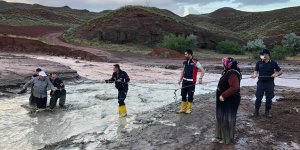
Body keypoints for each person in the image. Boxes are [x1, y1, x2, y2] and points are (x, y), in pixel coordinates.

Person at [214, 57, 242, 144]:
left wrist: (223, 95)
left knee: (228, 118)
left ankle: (227, 139)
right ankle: (220, 136)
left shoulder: (232, 73)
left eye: (224, 63)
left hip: (230, 99)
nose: (223, 64)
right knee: (220, 117)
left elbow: (235, 87)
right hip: (224, 100)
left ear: (228, 64)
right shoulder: (227, 71)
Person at [251, 48, 283, 118]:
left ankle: (267, 112)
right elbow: (256, 70)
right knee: (258, 97)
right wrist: (254, 74)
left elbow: (280, 71)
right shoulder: (259, 62)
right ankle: (256, 112)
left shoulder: (273, 63)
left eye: (263, 54)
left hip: (270, 83)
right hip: (260, 83)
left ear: (267, 55)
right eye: (261, 55)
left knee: (269, 98)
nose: (262, 56)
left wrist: (276, 74)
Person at [177, 49, 205, 114]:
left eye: (186, 54)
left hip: (191, 82)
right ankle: (183, 109)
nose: (185, 55)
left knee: (190, 95)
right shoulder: (185, 62)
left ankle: (188, 109)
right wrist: (180, 80)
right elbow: (183, 71)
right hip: (184, 81)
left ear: (190, 54)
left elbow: (202, 70)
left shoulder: (195, 62)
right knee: (183, 95)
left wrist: (200, 78)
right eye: (185, 54)